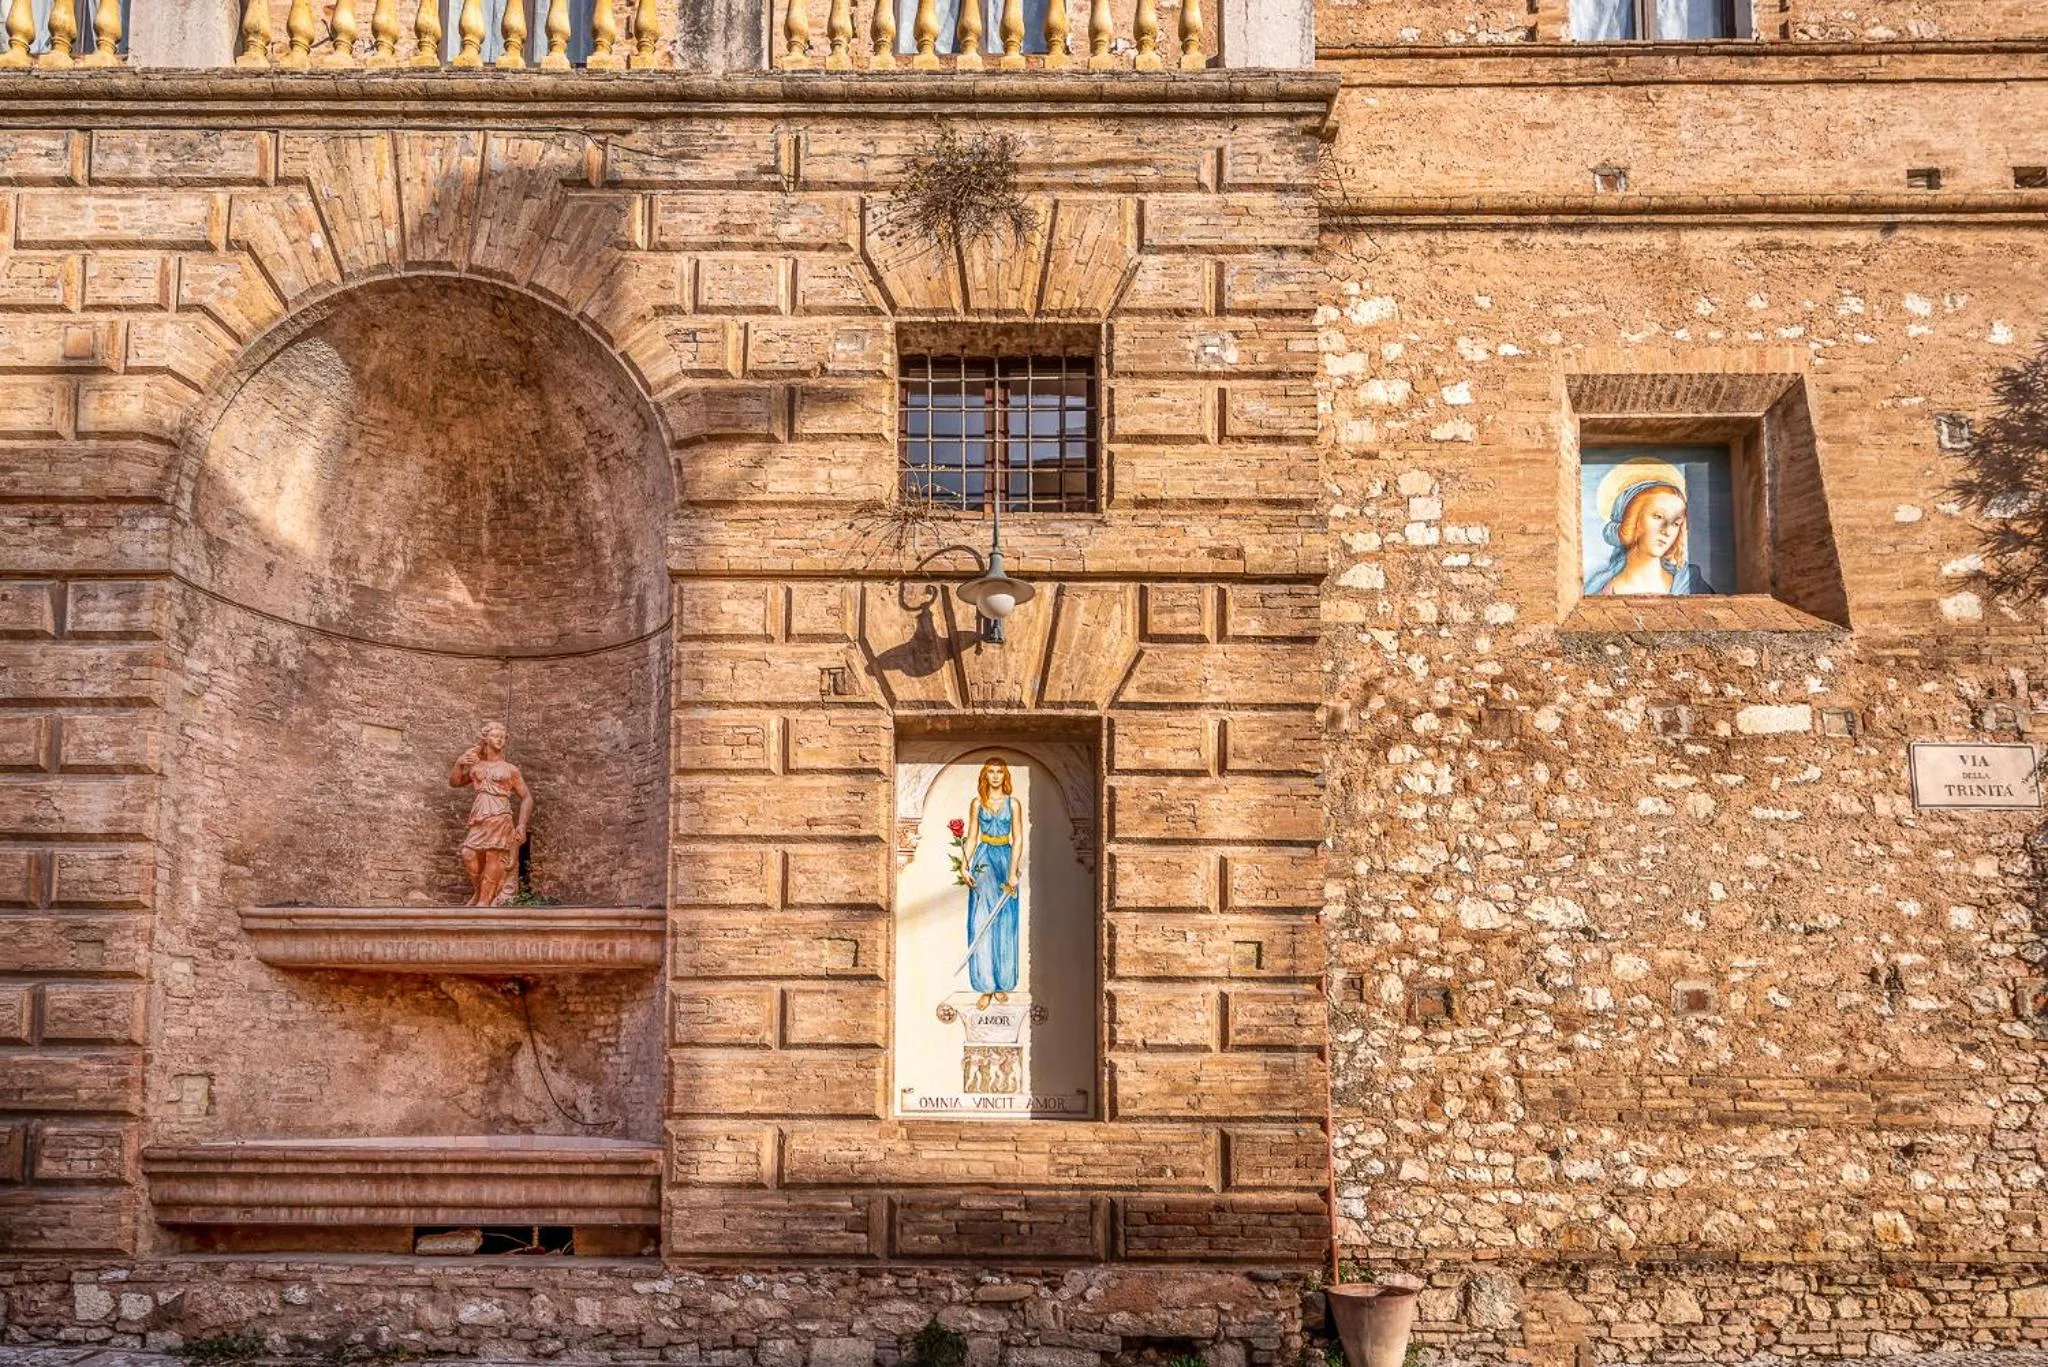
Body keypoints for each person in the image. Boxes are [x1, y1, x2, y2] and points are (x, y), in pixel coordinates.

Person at [958, 757, 1023, 1011]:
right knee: (981, 920)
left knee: (1005, 920)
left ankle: (1002, 984)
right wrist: (965, 864)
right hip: (983, 860)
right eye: (991, 772)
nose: (995, 776)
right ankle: (985, 985)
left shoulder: (1014, 804)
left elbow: (1017, 839)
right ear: (985, 776)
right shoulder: (977, 803)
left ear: (1004, 775)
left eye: (999, 772)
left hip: (1005, 859)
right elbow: (972, 836)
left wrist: (1013, 872)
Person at [448, 721, 533, 907]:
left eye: (503, 737)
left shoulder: (510, 769)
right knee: (468, 853)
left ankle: (485, 901)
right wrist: (459, 763)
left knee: (494, 857)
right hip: (479, 816)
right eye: (496, 736)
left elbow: (527, 797)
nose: (500, 740)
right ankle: (479, 892)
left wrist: (522, 825)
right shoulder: (476, 765)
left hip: (500, 816)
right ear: (486, 738)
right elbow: (455, 782)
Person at [1584, 479, 1719, 596]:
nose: (1666, 531)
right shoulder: (1596, 589)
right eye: (1658, 517)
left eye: (1676, 523)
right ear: (1632, 520)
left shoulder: (1691, 585)